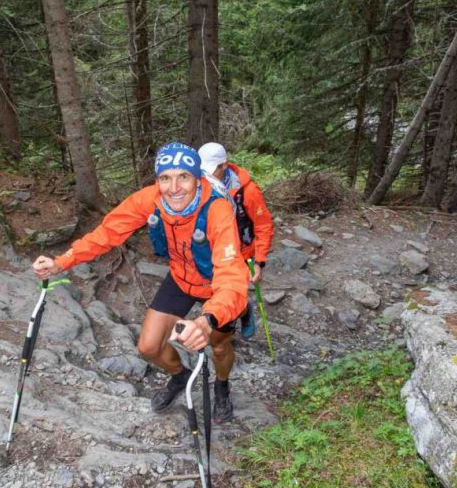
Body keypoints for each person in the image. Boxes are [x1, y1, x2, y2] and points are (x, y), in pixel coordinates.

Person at [32, 142, 248, 423]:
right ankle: (180, 377)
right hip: (182, 279)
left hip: (216, 286)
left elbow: (232, 277)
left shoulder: (216, 210)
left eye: (183, 176)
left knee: (219, 346)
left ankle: (221, 387)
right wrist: (61, 262)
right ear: (157, 180)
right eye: (165, 178)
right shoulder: (151, 199)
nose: (174, 188)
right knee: (148, 347)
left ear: (197, 178)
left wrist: (206, 322)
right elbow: (107, 233)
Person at [198, 142, 275, 338]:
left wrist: (259, 262)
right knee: (215, 292)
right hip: (214, 251)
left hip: (242, 254)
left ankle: (241, 315)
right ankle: (235, 316)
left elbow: (263, 225)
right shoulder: (200, 185)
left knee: (232, 293)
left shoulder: (247, 191)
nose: (207, 175)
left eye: (212, 170)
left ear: (224, 165)